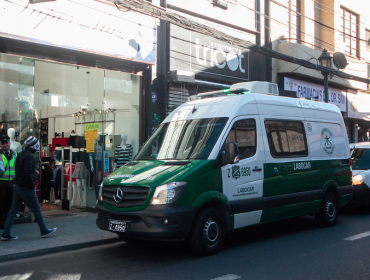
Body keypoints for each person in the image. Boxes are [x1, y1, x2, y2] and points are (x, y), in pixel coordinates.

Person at [1, 136, 57, 241]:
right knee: (36, 208)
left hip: (17, 186)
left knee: (12, 210)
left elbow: (21, 170)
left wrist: (32, 172)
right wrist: (32, 184)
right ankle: (44, 230)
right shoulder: (29, 156)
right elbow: (26, 174)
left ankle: (6, 232)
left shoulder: (21, 154)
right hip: (25, 187)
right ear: (34, 146)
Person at [0, 134, 17, 230]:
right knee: (1, 202)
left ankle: (7, 220)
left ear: (9, 143)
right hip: (1, 181)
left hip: (11, 181)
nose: (5, 145)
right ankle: (2, 221)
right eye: (3, 143)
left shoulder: (14, 154)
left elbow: (17, 167)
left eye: (7, 143)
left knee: (9, 201)